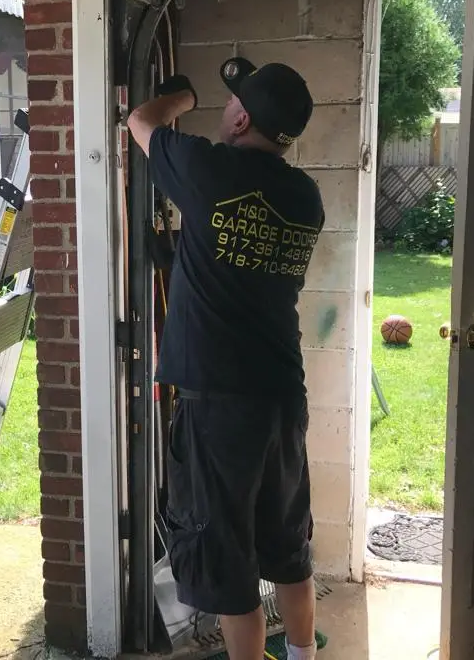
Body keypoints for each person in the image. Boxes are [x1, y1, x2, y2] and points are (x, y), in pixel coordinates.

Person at [127, 57, 325, 660]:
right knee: (288, 545)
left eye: (230, 104)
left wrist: (180, 97)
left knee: (227, 556)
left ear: (240, 118)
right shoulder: (304, 196)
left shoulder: (209, 170)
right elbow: (235, 253)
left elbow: (140, 121)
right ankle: (300, 655)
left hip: (218, 405)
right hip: (281, 397)